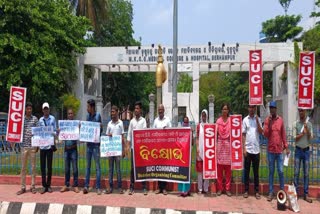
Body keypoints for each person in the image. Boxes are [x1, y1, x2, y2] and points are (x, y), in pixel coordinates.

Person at [263, 101, 289, 202]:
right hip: (270, 150)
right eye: (270, 108)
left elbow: (283, 134)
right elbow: (265, 134)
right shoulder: (267, 120)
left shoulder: (280, 120)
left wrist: (286, 146)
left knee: (281, 171)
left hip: (279, 151)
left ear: (276, 109)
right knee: (271, 172)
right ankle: (271, 192)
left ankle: (282, 191)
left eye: (273, 108)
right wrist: (268, 124)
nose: (272, 110)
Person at [16, 102, 39, 195]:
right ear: (25, 109)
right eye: (27, 109)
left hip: (32, 146)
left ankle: (33, 186)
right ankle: (23, 187)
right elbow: (17, 130)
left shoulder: (35, 119)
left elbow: (38, 132)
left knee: (33, 167)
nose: (29, 110)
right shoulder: (21, 119)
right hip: (24, 146)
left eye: (30, 108)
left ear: (32, 110)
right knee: (23, 168)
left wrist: (37, 145)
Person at [242, 105, 263, 199]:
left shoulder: (258, 119)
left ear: (255, 109)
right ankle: (246, 190)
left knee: (256, 172)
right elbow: (243, 134)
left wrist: (258, 121)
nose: (251, 109)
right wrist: (244, 148)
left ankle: (257, 191)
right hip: (248, 149)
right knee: (246, 171)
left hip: (256, 149)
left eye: (253, 107)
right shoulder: (245, 120)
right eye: (250, 107)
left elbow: (261, 131)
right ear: (248, 108)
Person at [127, 101, 148, 195]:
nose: (136, 110)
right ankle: (131, 187)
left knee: (142, 167)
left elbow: (144, 133)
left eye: (137, 108)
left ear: (140, 110)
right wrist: (127, 147)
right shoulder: (132, 121)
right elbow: (129, 135)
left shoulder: (143, 121)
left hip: (141, 149)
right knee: (132, 168)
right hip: (133, 148)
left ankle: (144, 187)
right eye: (135, 108)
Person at [293, 108, 313, 203]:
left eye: (303, 111)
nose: (301, 112)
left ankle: (306, 194)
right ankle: (295, 194)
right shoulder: (296, 123)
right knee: (296, 172)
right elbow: (294, 138)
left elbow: (311, 138)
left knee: (306, 173)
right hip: (298, 150)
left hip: (306, 151)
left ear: (305, 112)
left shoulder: (309, 124)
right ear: (298, 112)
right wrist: (302, 133)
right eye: (300, 110)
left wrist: (307, 130)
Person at [83, 99, 103, 195]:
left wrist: (100, 126)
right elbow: (86, 129)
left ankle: (98, 187)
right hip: (89, 145)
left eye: (88, 107)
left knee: (97, 167)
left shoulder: (98, 116)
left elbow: (101, 129)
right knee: (87, 166)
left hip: (95, 145)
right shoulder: (87, 116)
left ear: (92, 107)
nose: (87, 108)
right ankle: (86, 186)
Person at [104, 105, 125, 194]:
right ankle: (110, 187)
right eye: (111, 112)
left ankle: (120, 187)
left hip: (118, 149)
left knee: (118, 169)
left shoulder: (121, 123)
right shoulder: (109, 124)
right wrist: (108, 136)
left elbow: (122, 136)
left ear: (117, 112)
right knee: (110, 169)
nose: (112, 113)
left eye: (113, 112)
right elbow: (106, 135)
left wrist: (124, 149)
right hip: (110, 149)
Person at [153, 104, 172, 195]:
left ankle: (164, 188)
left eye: (161, 109)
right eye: (159, 109)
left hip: (165, 148)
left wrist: (166, 130)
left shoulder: (167, 120)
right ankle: (159, 187)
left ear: (164, 110)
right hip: (157, 148)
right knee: (158, 168)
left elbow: (171, 132)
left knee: (164, 168)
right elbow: (152, 133)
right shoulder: (155, 121)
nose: (160, 111)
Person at [60, 108, 79, 193]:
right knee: (67, 169)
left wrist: (80, 128)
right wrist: (59, 131)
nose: (70, 115)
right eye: (69, 114)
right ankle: (66, 185)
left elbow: (80, 135)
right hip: (66, 149)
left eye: (71, 113)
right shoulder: (64, 124)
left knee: (75, 169)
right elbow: (61, 135)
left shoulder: (76, 124)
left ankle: (75, 185)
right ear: (67, 115)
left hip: (74, 149)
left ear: (73, 115)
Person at [39, 102, 57, 194]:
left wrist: (51, 132)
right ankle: (43, 185)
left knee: (49, 167)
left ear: (49, 109)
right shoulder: (40, 120)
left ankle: (49, 185)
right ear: (42, 110)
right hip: (42, 146)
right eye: (44, 109)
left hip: (50, 145)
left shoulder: (53, 119)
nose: (46, 110)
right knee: (42, 167)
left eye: (47, 109)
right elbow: (38, 132)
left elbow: (55, 132)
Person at [216, 103, 232, 197]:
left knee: (228, 171)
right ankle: (220, 189)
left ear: (228, 111)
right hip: (220, 145)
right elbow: (215, 134)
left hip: (228, 146)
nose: (224, 111)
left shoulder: (231, 121)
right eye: (223, 109)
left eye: (226, 109)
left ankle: (227, 189)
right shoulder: (218, 121)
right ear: (221, 110)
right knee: (219, 170)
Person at [196, 110, 209, 194]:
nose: (203, 117)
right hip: (200, 150)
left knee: (207, 170)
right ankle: (200, 188)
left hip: (208, 150)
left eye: (205, 115)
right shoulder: (198, 125)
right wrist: (197, 147)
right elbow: (197, 137)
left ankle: (206, 188)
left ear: (207, 116)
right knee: (200, 171)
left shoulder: (209, 126)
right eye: (202, 115)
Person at [178, 116, 192, 197]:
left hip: (188, 154)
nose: (185, 124)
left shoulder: (190, 131)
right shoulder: (180, 132)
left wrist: (191, 133)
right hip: (181, 154)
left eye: (187, 122)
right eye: (184, 122)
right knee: (181, 171)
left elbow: (192, 143)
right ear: (182, 122)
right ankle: (182, 190)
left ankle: (187, 190)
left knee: (187, 172)